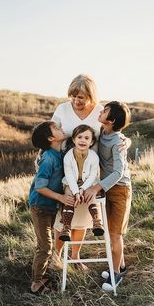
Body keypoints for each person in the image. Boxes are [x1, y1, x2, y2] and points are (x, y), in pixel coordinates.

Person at [51, 74, 104, 268]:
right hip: (66, 171)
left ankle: (75, 257)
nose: (76, 101)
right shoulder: (62, 109)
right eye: (73, 96)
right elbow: (52, 135)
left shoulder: (99, 111)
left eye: (80, 97)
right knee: (64, 214)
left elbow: (112, 133)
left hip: (90, 172)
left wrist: (124, 141)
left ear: (91, 95)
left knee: (82, 218)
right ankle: (55, 256)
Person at [84, 101, 132, 291]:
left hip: (120, 190)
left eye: (105, 111)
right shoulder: (102, 132)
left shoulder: (117, 142)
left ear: (111, 120)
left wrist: (97, 187)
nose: (101, 111)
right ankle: (119, 265)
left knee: (115, 234)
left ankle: (116, 275)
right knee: (110, 231)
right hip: (106, 188)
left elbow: (119, 172)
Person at [28, 121, 74, 294]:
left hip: (49, 206)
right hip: (40, 206)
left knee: (44, 244)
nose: (62, 128)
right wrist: (61, 197)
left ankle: (41, 273)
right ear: (51, 138)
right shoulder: (48, 158)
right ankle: (36, 283)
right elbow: (40, 187)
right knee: (45, 246)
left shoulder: (59, 153)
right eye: (57, 128)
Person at [58, 124, 104, 241]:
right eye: (79, 137)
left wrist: (83, 189)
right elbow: (69, 176)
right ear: (74, 140)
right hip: (71, 183)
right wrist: (76, 192)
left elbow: (93, 175)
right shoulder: (68, 156)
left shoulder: (94, 156)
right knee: (69, 194)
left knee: (91, 194)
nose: (83, 140)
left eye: (87, 138)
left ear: (92, 142)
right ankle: (66, 227)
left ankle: (97, 222)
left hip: (89, 183)